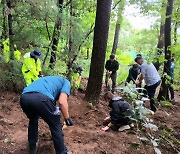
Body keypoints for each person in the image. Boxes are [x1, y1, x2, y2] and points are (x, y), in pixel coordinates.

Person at [20, 76, 73, 154]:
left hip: (24, 98)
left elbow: (52, 104)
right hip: (41, 98)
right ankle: (62, 152)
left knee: (33, 120)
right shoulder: (66, 82)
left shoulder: (49, 81)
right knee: (56, 124)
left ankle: (32, 146)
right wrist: (67, 118)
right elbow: (62, 101)